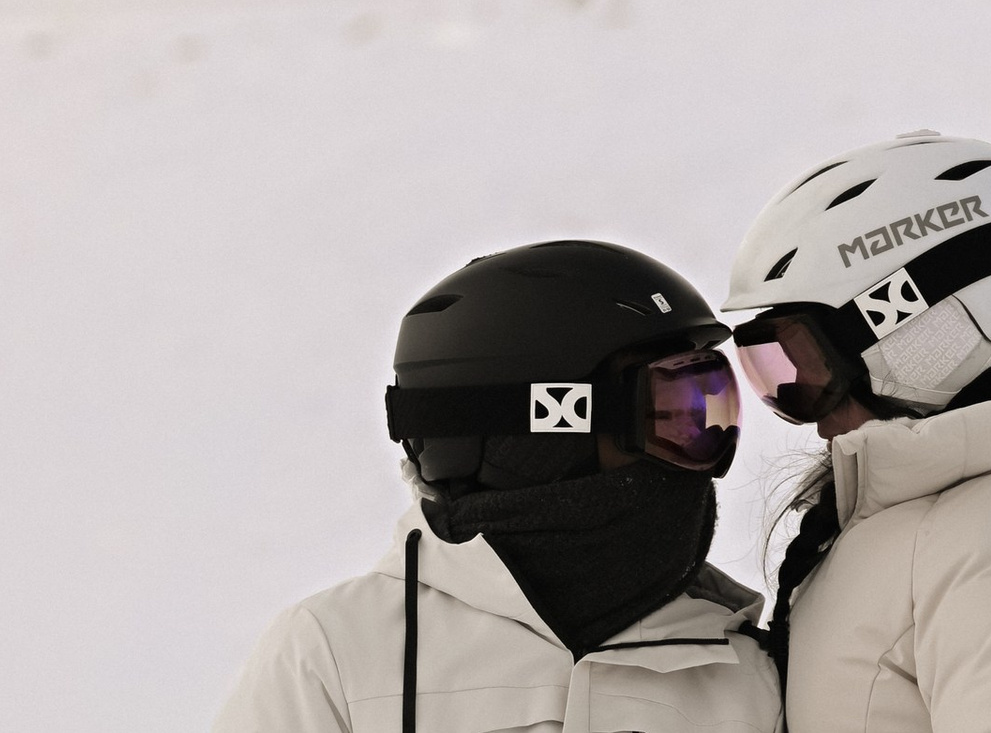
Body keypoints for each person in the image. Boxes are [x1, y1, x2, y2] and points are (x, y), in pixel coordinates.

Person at [215, 240, 781, 733]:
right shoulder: (338, 652)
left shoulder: (748, 673)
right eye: (672, 410)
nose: (703, 455)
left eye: (711, 405)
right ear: (541, 438)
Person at [726, 132, 991, 733]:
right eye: (771, 371)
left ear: (912, 329)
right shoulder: (913, 522)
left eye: (806, 366)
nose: (811, 417)